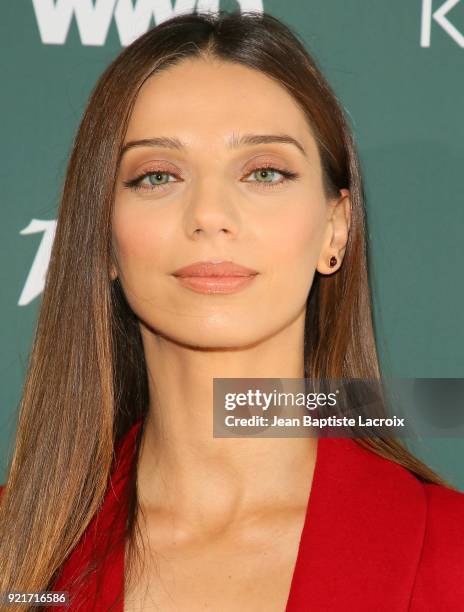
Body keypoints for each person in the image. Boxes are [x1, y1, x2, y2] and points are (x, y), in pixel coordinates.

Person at [0, 10, 463, 612]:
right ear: (103, 237)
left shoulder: (450, 555)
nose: (209, 214)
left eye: (264, 171)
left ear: (335, 228)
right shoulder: (17, 550)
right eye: (158, 175)